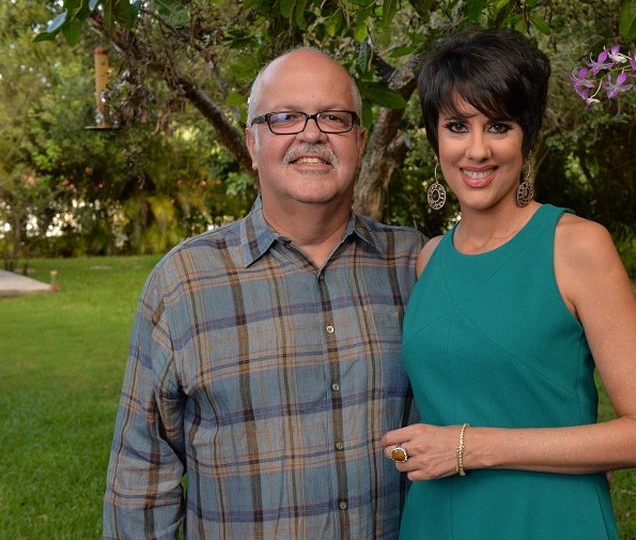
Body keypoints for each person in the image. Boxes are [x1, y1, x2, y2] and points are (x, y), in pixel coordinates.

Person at [104, 48, 424, 539]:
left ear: (359, 142)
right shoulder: (184, 284)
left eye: (333, 118)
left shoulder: (415, 266)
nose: (311, 133)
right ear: (252, 144)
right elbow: (141, 480)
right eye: (285, 117)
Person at [381, 28, 636, 539]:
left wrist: (467, 448)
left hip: (548, 519)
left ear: (527, 136)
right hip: (437, 522)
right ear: (435, 138)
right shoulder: (429, 260)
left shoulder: (577, 246)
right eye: (456, 126)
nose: (477, 150)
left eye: (498, 125)